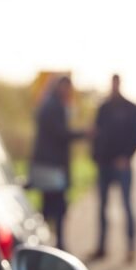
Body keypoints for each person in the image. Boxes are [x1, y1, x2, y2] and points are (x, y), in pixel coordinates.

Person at [91, 74, 136, 263]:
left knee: (127, 206)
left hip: (122, 166)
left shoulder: (131, 108)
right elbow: (96, 133)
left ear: (120, 84)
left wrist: (127, 157)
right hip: (104, 164)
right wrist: (95, 157)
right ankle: (101, 247)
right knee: (102, 207)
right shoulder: (103, 107)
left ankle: (131, 249)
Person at [30, 76, 85, 250]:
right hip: (52, 166)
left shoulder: (48, 104)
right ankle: (56, 245)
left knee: (49, 206)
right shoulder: (55, 106)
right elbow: (61, 134)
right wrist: (84, 133)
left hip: (47, 165)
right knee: (57, 208)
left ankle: (45, 244)